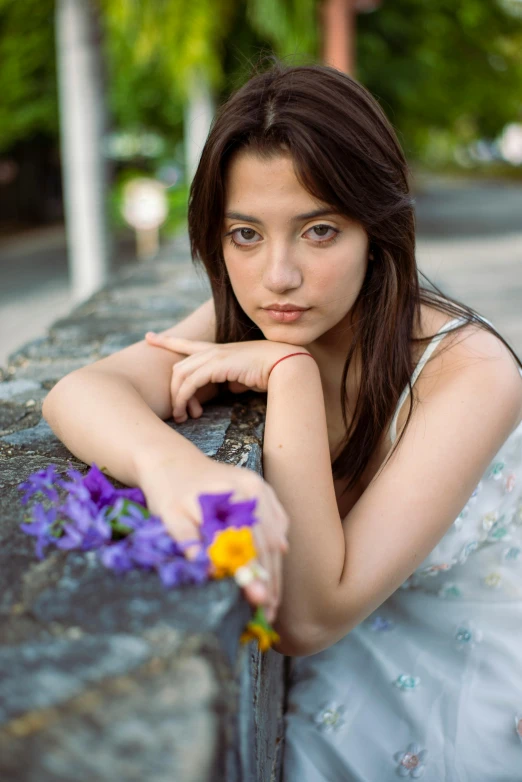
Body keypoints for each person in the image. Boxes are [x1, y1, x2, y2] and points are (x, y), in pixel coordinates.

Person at [42, 58, 522, 781]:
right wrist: (174, 467)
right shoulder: (255, 310)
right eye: (245, 234)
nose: (279, 276)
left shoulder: (471, 372)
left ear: (376, 229)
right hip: (337, 666)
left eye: (319, 231)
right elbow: (77, 391)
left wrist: (288, 376)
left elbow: (307, 618)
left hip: (455, 689)